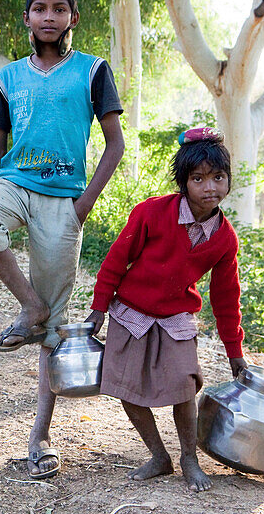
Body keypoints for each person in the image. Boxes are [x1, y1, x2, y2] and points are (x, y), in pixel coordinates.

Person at [0, 0, 125, 479]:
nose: (49, 16)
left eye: (59, 9)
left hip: (64, 202)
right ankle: (27, 304)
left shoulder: (93, 71)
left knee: (52, 331)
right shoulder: (8, 77)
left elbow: (114, 143)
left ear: (72, 18)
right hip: (13, 185)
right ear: (27, 19)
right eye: (39, 8)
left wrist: (83, 206)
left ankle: (40, 436)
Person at [85, 127, 247, 492]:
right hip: (131, 312)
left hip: (176, 318)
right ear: (184, 182)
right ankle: (159, 456)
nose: (210, 187)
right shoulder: (151, 213)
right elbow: (115, 261)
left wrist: (234, 352)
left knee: (183, 387)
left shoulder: (225, 238)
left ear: (228, 180)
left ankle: (189, 457)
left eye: (218, 177)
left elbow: (225, 298)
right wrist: (98, 309)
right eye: (198, 178)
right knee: (127, 388)